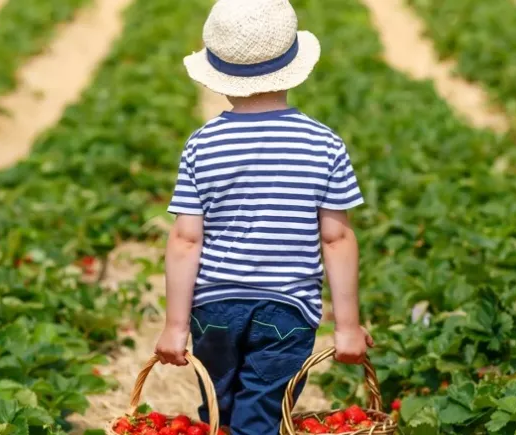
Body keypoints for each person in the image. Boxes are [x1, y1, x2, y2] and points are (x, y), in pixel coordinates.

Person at [153, 0, 373, 433]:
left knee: (217, 408)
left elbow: (185, 239)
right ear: (293, 66)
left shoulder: (202, 144)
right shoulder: (324, 144)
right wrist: (347, 327)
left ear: (220, 77)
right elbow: (336, 239)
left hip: (213, 307)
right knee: (260, 416)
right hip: (287, 309)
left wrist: (175, 325)